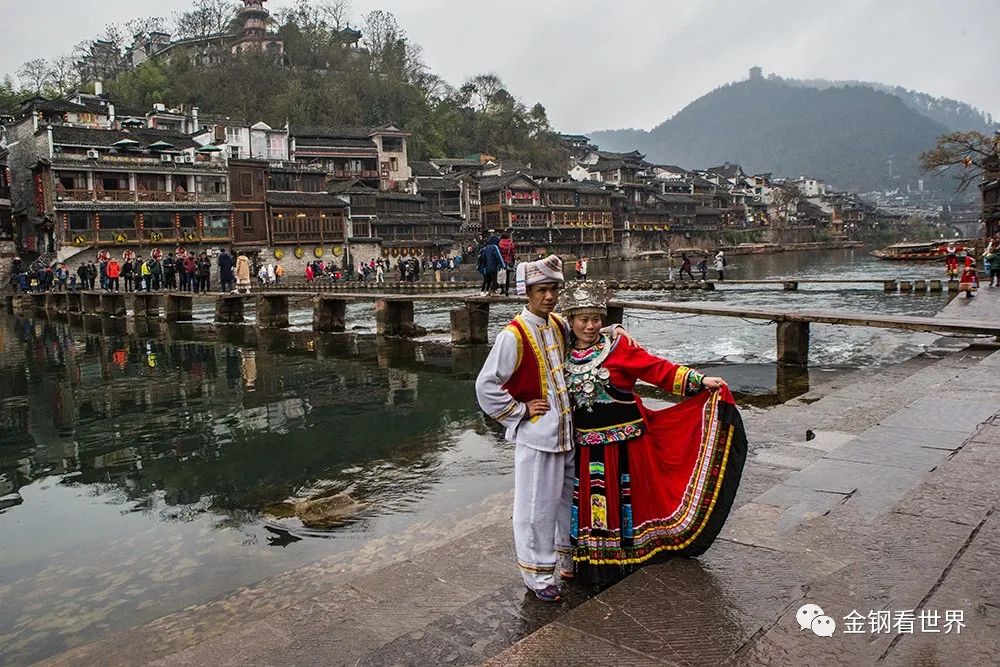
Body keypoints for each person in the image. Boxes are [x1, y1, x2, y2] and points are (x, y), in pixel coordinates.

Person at [557, 281, 747, 586]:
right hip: (587, 448)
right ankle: (595, 559)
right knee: (595, 504)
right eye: (583, 320)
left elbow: (656, 369)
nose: (591, 326)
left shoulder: (619, 348)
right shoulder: (561, 353)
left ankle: (628, 554)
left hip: (626, 446)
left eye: (596, 319)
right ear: (571, 321)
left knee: (630, 500)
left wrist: (699, 380)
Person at [475, 256, 631, 603]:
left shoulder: (558, 323)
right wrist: (519, 409)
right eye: (541, 290)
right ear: (527, 292)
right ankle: (537, 574)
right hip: (537, 436)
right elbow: (486, 386)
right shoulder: (512, 335)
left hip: (565, 432)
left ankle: (565, 559)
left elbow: (582, 334)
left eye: (553, 289)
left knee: (566, 503)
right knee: (535, 509)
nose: (549, 296)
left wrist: (608, 331)